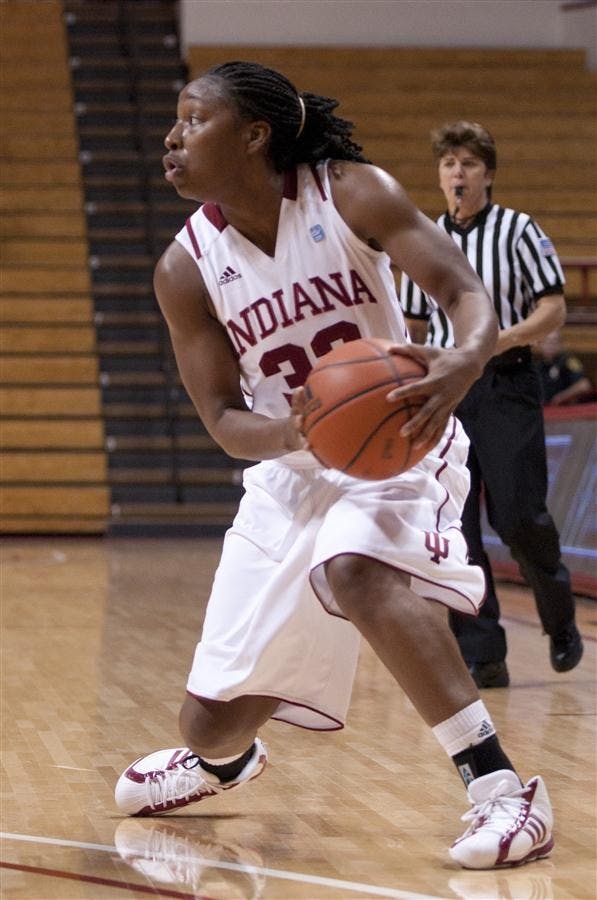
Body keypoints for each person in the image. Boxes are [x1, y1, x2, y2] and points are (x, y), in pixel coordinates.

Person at [115, 64, 555, 870]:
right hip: (290, 470)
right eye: (175, 121)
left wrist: (463, 360)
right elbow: (224, 421)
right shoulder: (184, 269)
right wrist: (293, 430)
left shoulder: (349, 192)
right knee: (207, 724)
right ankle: (225, 763)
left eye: (193, 119)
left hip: (398, 438)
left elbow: (463, 291)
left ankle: (502, 790)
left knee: (356, 570)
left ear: (254, 135)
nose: (173, 137)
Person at [400, 121, 583, 689]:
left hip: (506, 383)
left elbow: (552, 309)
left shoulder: (518, 230)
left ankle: (560, 617)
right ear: (440, 175)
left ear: (488, 174)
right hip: (447, 390)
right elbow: (413, 322)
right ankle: (484, 653)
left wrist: (496, 340)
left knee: (518, 516)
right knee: (457, 527)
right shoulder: (424, 238)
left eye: (469, 163)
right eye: (449, 163)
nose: (457, 173)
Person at [536, 329, 593, 406]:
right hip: (546, 409)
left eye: (554, 342)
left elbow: (584, 385)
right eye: (547, 341)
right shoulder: (539, 366)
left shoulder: (568, 362)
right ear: (540, 345)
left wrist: (561, 397)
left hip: (566, 409)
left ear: (560, 344)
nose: (550, 345)